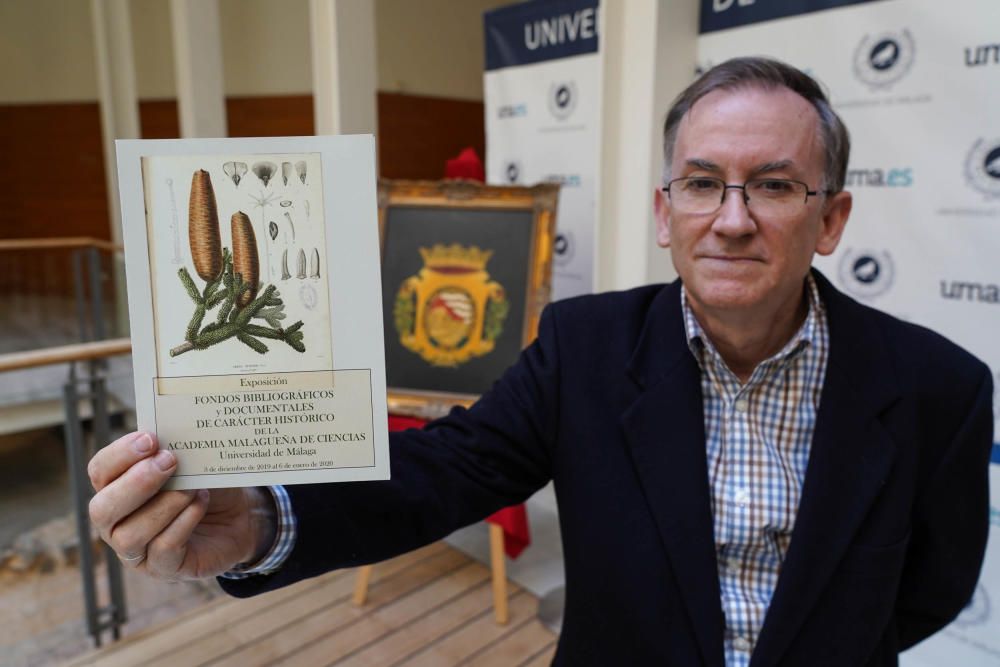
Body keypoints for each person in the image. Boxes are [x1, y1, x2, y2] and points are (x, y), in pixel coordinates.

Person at [87, 58, 993, 666]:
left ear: (830, 219)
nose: (731, 217)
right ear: (664, 208)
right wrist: (257, 520)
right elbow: (442, 472)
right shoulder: (585, 348)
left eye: (776, 184)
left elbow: (930, 591)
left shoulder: (940, 389)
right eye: (704, 181)